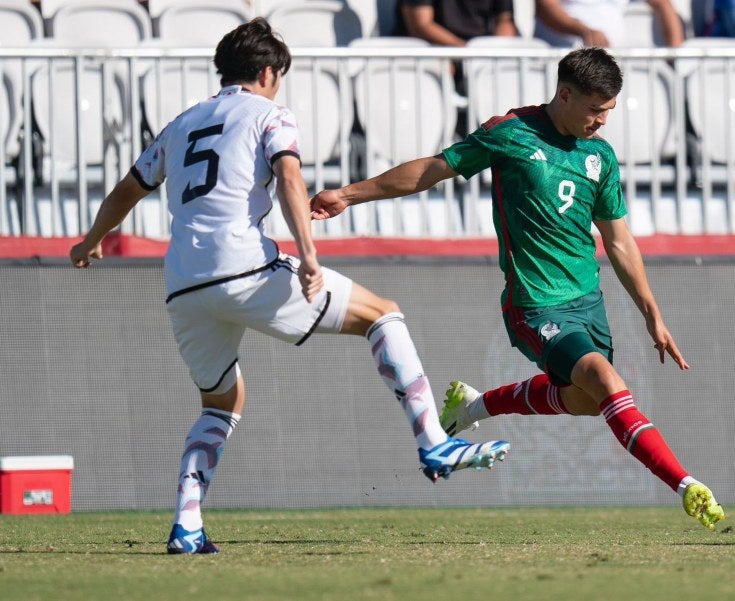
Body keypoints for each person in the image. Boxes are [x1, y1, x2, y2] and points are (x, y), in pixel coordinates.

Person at [69, 17, 509, 555]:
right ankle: (434, 444)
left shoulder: (181, 123)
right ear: (270, 72)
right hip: (244, 268)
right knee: (383, 315)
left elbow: (126, 190)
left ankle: (187, 524)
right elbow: (289, 177)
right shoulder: (270, 114)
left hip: (183, 284)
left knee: (220, 403)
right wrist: (308, 254)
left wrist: (91, 239)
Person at [310, 47, 725, 530]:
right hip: (535, 304)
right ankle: (686, 484)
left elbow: (618, 240)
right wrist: (347, 194)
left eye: (609, 111)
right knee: (609, 384)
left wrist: (652, 313)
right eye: (595, 110)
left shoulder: (600, 156)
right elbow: (431, 170)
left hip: (587, 303)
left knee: (591, 402)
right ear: (565, 95)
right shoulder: (510, 134)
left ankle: (474, 405)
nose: (602, 122)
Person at [533, 0, 684, 48]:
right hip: (561, 68)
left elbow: (663, 5)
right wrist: (583, 31)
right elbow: (545, 7)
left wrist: (675, 56)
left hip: (608, 67)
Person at [394, 0, 518, 46]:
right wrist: (466, 53)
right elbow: (420, 26)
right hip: (431, 52)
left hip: (477, 56)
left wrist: (498, 51)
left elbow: (505, 20)